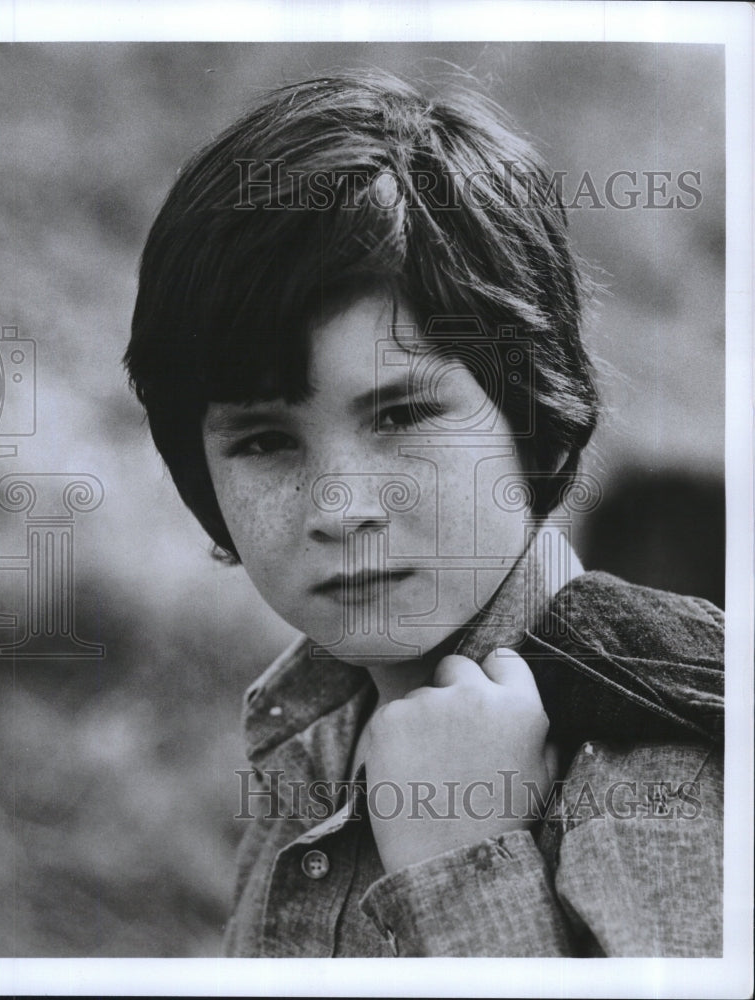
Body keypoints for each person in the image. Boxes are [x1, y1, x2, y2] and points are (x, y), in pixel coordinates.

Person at [124, 70, 723, 957]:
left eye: (402, 416)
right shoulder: (312, 737)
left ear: (530, 417)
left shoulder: (660, 769)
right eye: (264, 440)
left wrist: (461, 863)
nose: (340, 507)